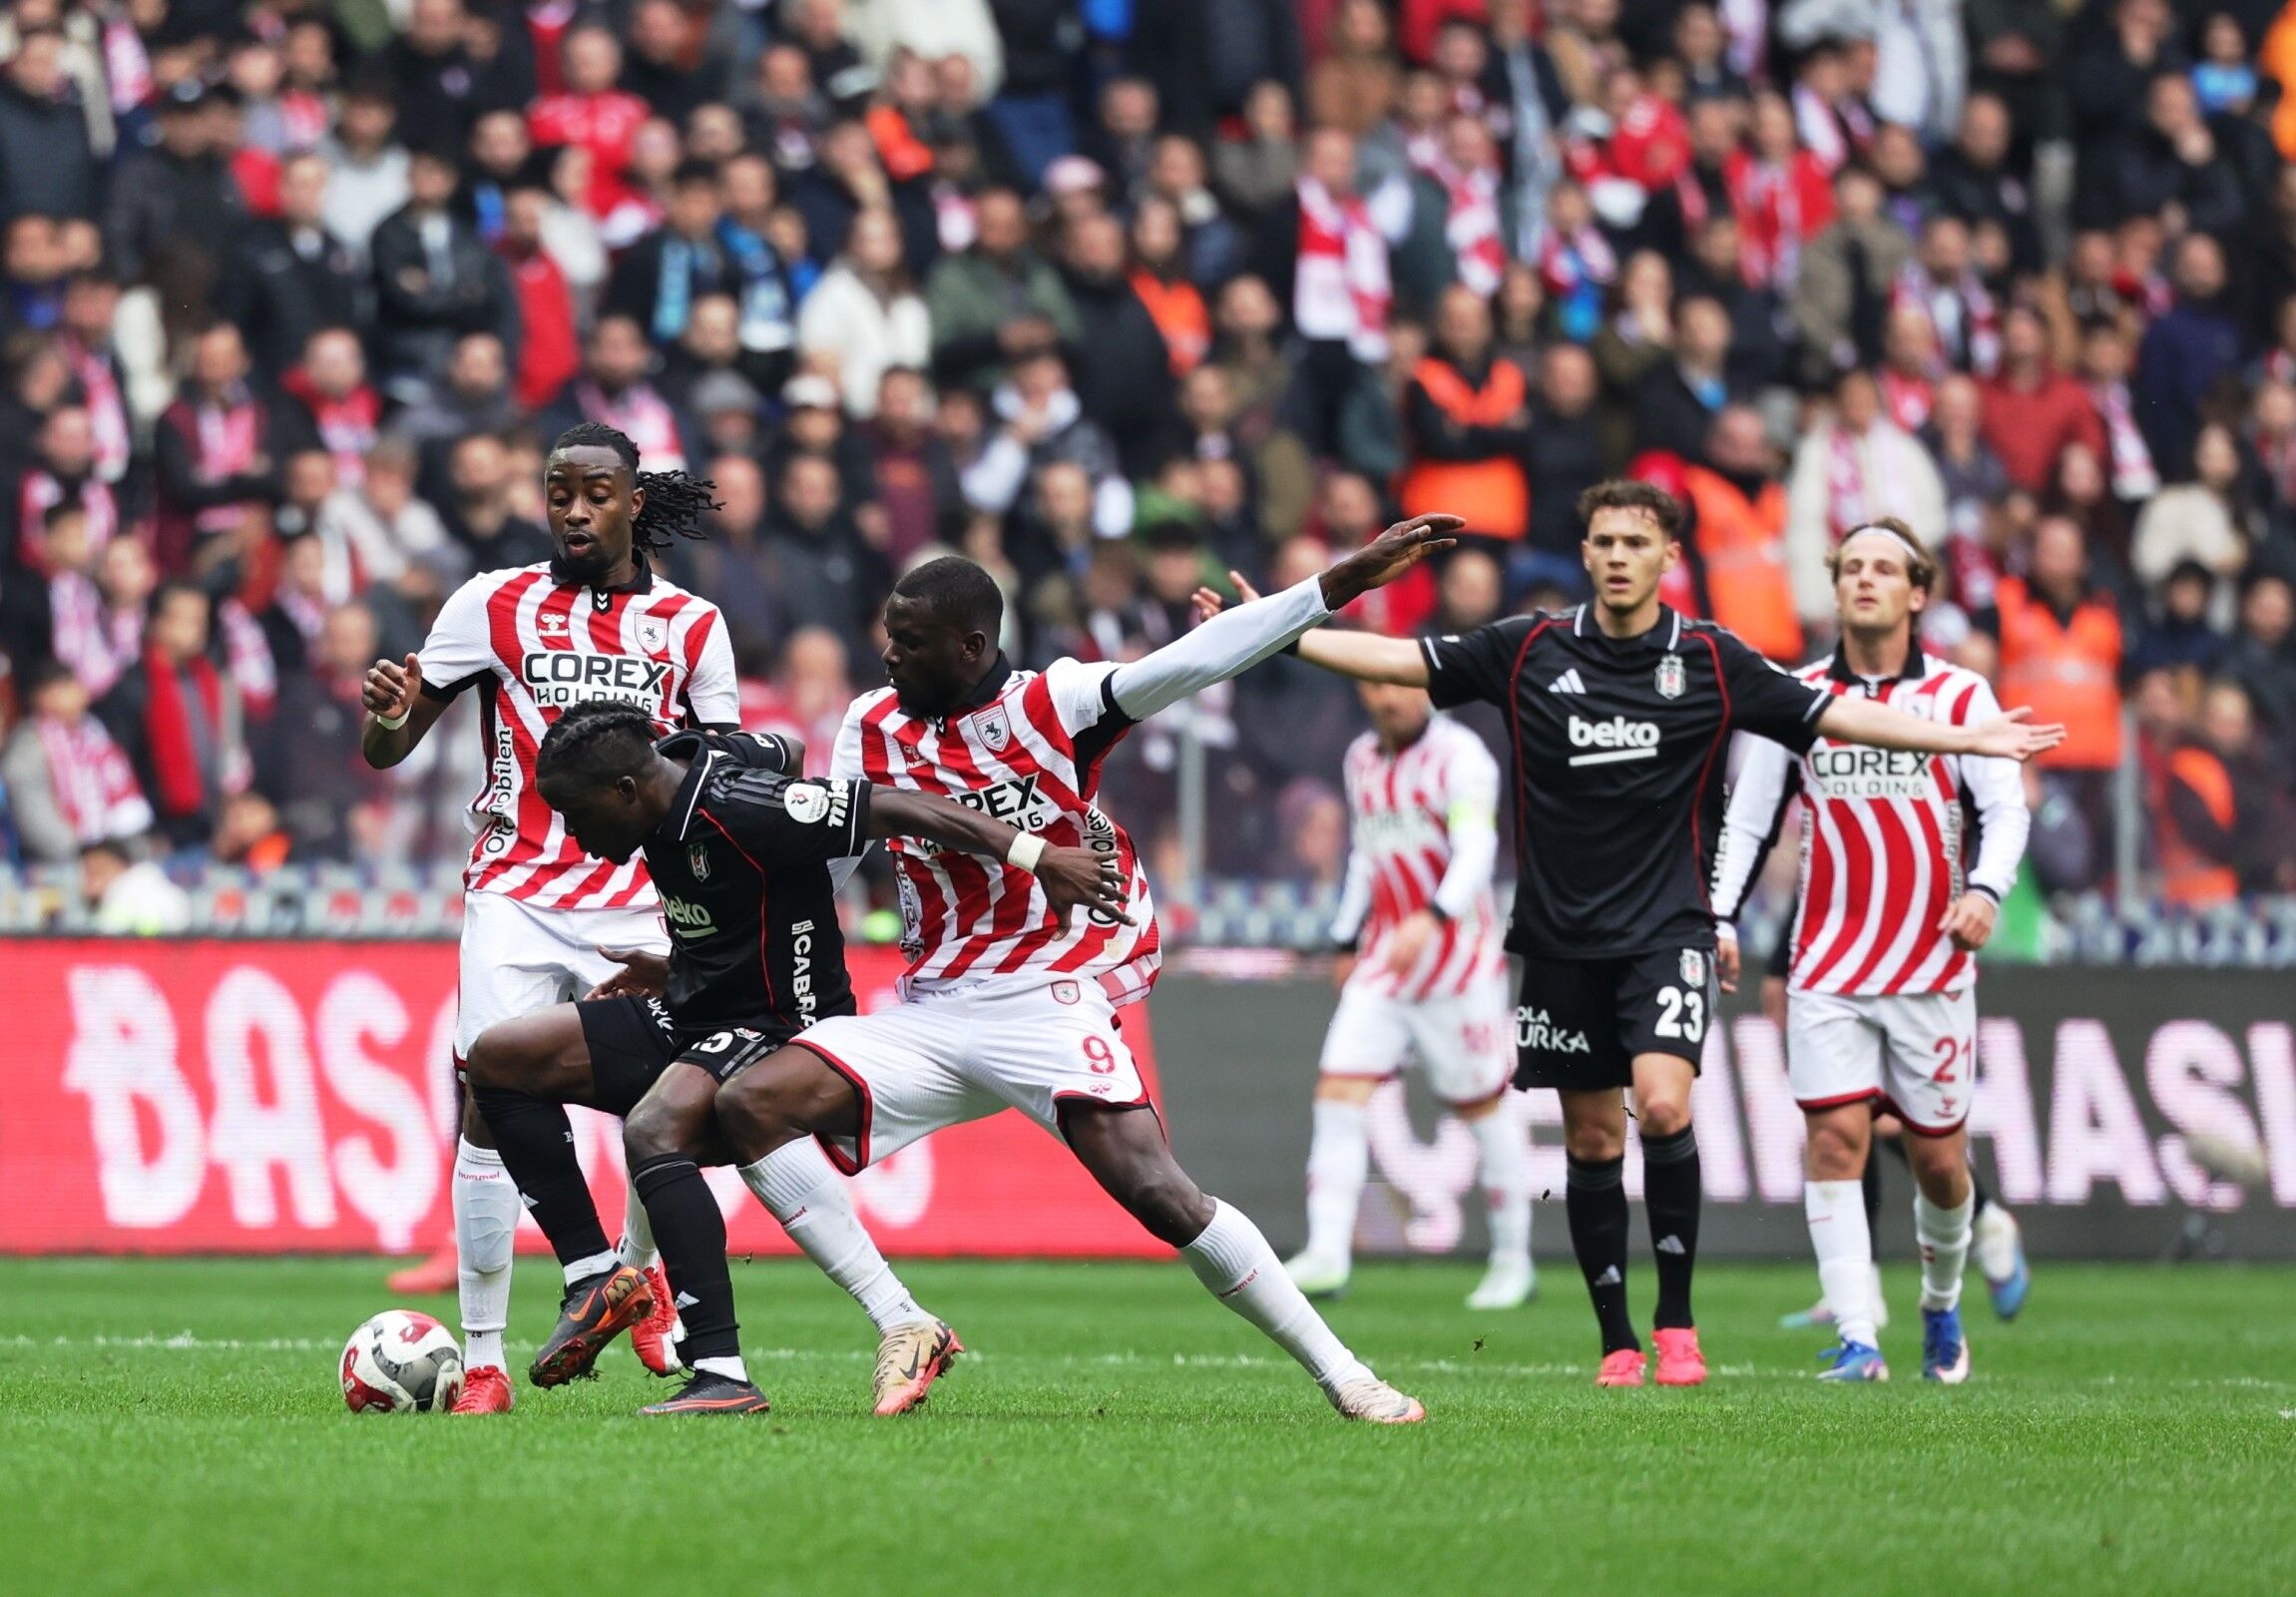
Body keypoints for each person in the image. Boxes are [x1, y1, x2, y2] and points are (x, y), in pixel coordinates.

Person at [1224, 480, 2063, 1387]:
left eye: (1636, 541)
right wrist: (1274, 631)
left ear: (1669, 558)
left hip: (1668, 930)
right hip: (1558, 938)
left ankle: (1676, 1325)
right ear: (1584, 554)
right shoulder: (1528, 650)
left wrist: (1963, 743)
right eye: (1603, 541)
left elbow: (1834, 715)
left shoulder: (1709, 658)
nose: (1617, 556)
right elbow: (1396, 661)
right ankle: (1616, 1338)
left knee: (1662, 1106)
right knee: (1590, 1143)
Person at [673, 521, 1468, 1423]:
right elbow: (827, 873)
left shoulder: (1058, 702)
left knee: (1160, 1195)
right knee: (747, 1106)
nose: (885, 650)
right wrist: (701, 946)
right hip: (928, 1010)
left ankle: (1346, 1376)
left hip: (1044, 997)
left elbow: (1199, 657)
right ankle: (903, 1320)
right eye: (888, 633)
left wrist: (1337, 581)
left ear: (970, 647)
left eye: (908, 639)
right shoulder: (869, 724)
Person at [482, 707, 1126, 1414]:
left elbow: (894, 805)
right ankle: (595, 1275)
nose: (570, 833)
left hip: (782, 1020)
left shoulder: (741, 809)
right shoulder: (683, 776)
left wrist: (1039, 856)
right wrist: (676, 966)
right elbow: (781, 744)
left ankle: (720, 1371)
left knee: (655, 1131)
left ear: (629, 790)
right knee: (497, 1060)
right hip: (698, 1005)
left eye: (576, 813)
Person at [353, 421, 734, 1412]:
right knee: (487, 1095)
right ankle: (487, 1361)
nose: (573, 509)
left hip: (641, 898)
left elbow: (724, 779)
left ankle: (640, 1291)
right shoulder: (491, 603)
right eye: (559, 491)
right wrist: (385, 712)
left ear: (634, 502)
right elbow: (391, 747)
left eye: (595, 493)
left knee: (673, 1106)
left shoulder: (693, 626)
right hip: (518, 892)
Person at [1710, 519, 2033, 1383]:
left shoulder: (1962, 699)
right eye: (1850, 567)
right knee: (1834, 1143)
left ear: (1917, 591)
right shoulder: (1796, 693)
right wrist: (1718, 915)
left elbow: (2006, 811)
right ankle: (1858, 1338)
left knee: (1936, 1161)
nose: (1864, 581)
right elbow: (1749, 819)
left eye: (1883, 569)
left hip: (1930, 963)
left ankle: (1938, 1305)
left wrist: (1984, 891)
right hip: (1827, 963)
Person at [1284, 678, 1533, 1312]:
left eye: (1400, 684)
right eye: (1375, 684)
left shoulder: (1462, 756)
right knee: (1337, 1092)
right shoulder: (1361, 758)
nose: (1388, 697)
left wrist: (1433, 915)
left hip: (1458, 962)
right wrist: (1345, 939)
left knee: (1481, 1106)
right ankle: (1328, 1253)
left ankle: (1513, 1259)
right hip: (1387, 962)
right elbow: (1367, 855)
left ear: (1426, 688)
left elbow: (1477, 847)